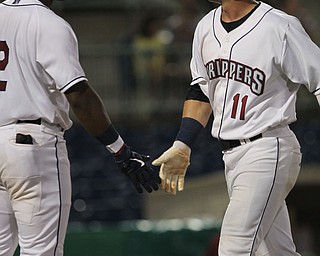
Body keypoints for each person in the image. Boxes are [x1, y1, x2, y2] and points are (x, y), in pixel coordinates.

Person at [152, 0, 320, 255]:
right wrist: (182, 144)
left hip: (267, 148)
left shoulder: (279, 26)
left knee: (233, 248)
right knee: (276, 252)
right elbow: (201, 90)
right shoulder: (206, 26)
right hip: (231, 157)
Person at [0, 0, 160, 255]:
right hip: (32, 147)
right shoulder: (46, 22)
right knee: (42, 251)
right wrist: (121, 151)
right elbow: (80, 98)